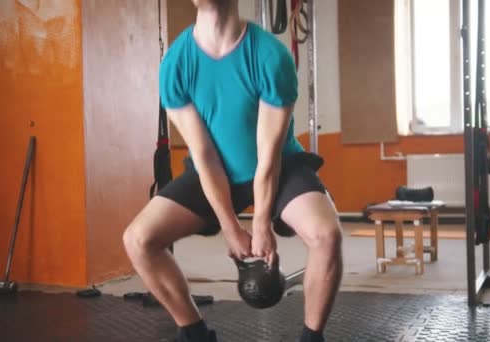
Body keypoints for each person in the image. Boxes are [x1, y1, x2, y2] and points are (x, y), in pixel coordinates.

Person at [123, 0, 343, 341]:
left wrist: (260, 222)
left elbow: (268, 155)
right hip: (212, 174)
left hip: (279, 168)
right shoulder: (176, 65)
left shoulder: (271, 56)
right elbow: (204, 155)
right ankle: (195, 334)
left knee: (327, 235)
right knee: (138, 239)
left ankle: (312, 337)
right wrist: (229, 227)